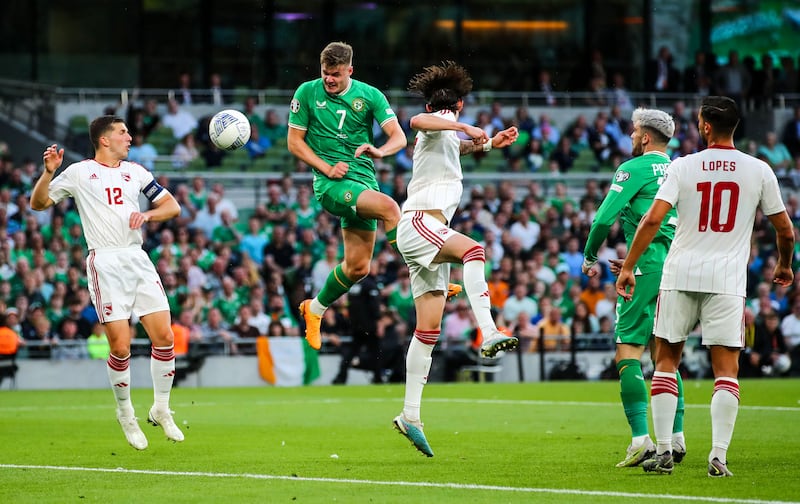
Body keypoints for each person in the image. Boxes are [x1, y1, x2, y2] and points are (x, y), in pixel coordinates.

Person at [616, 96, 795, 477]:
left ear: (707, 127)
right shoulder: (759, 170)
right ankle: (718, 456)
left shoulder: (683, 166)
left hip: (679, 273)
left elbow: (652, 221)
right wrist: (784, 264)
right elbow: (785, 230)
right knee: (726, 371)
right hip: (727, 281)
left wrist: (629, 266)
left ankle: (664, 450)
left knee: (665, 362)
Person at [32, 115, 185, 451]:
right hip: (105, 261)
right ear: (104, 139)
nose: (129, 137)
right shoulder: (80, 172)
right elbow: (38, 203)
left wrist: (147, 215)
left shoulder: (137, 172)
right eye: (122, 132)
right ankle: (125, 413)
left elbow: (171, 206)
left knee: (165, 336)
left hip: (136, 258)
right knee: (120, 346)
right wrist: (48, 173)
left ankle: (160, 407)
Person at [391, 61, 520, 457]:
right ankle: (490, 331)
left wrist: (488, 144)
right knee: (474, 250)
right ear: (460, 105)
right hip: (420, 223)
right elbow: (416, 122)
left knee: (427, 330)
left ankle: (410, 414)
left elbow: (449, 143)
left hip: (422, 232)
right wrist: (463, 126)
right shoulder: (440, 121)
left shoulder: (442, 136)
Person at [582, 107, 687, 468]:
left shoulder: (633, 168)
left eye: (633, 132)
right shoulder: (681, 169)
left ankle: (641, 438)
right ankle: (676, 436)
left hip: (645, 268)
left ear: (645, 137)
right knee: (665, 353)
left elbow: (603, 219)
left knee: (628, 350)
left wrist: (589, 256)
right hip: (678, 267)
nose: (630, 137)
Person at [287, 41, 407, 351]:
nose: (329, 80)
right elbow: (295, 143)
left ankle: (313, 309)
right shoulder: (306, 93)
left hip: (363, 181)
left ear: (350, 71)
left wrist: (380, 150)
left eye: (336, 75)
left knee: (357, 267)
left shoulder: (370, 96)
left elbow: (399, 137)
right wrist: (326, 168)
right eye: (326, 73)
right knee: (391, 209)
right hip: (332, 186)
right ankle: (426, 275)